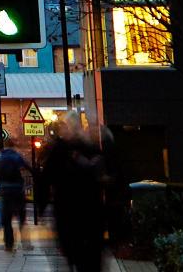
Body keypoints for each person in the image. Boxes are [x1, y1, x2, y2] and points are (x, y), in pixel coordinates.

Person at [43, 117, 108, 272]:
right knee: (89, 255)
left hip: (69, 211)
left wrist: (43, 204)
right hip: (90, 211)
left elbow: (46, 178)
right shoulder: (91, 148)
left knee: (75, 252)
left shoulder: (59, 149)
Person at [0, 140, 31, 252]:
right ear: (13, 146)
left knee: (7, 220)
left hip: (5, 192)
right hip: (18, 191)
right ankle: (26, 243)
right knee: (21, 219)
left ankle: (9, 244)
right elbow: (27, 167)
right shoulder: (16, 156)